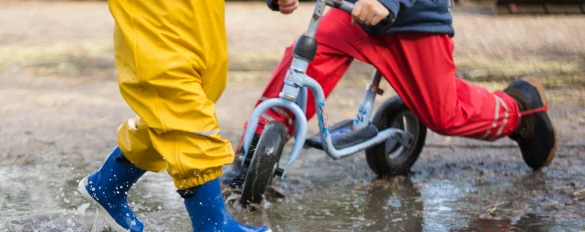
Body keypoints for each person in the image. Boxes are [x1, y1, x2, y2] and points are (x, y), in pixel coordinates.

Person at [223, 0, 558, 188]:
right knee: (303, 63)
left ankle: (520, 111)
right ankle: (252, 155)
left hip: (413, 19)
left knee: (445, 114)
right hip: (352, 11)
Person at [78, 0, 299, 232]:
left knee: (183, 102)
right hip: (155, 12)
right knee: (180, 103)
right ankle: (211, 226)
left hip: (201, 14)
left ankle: (108, 184)